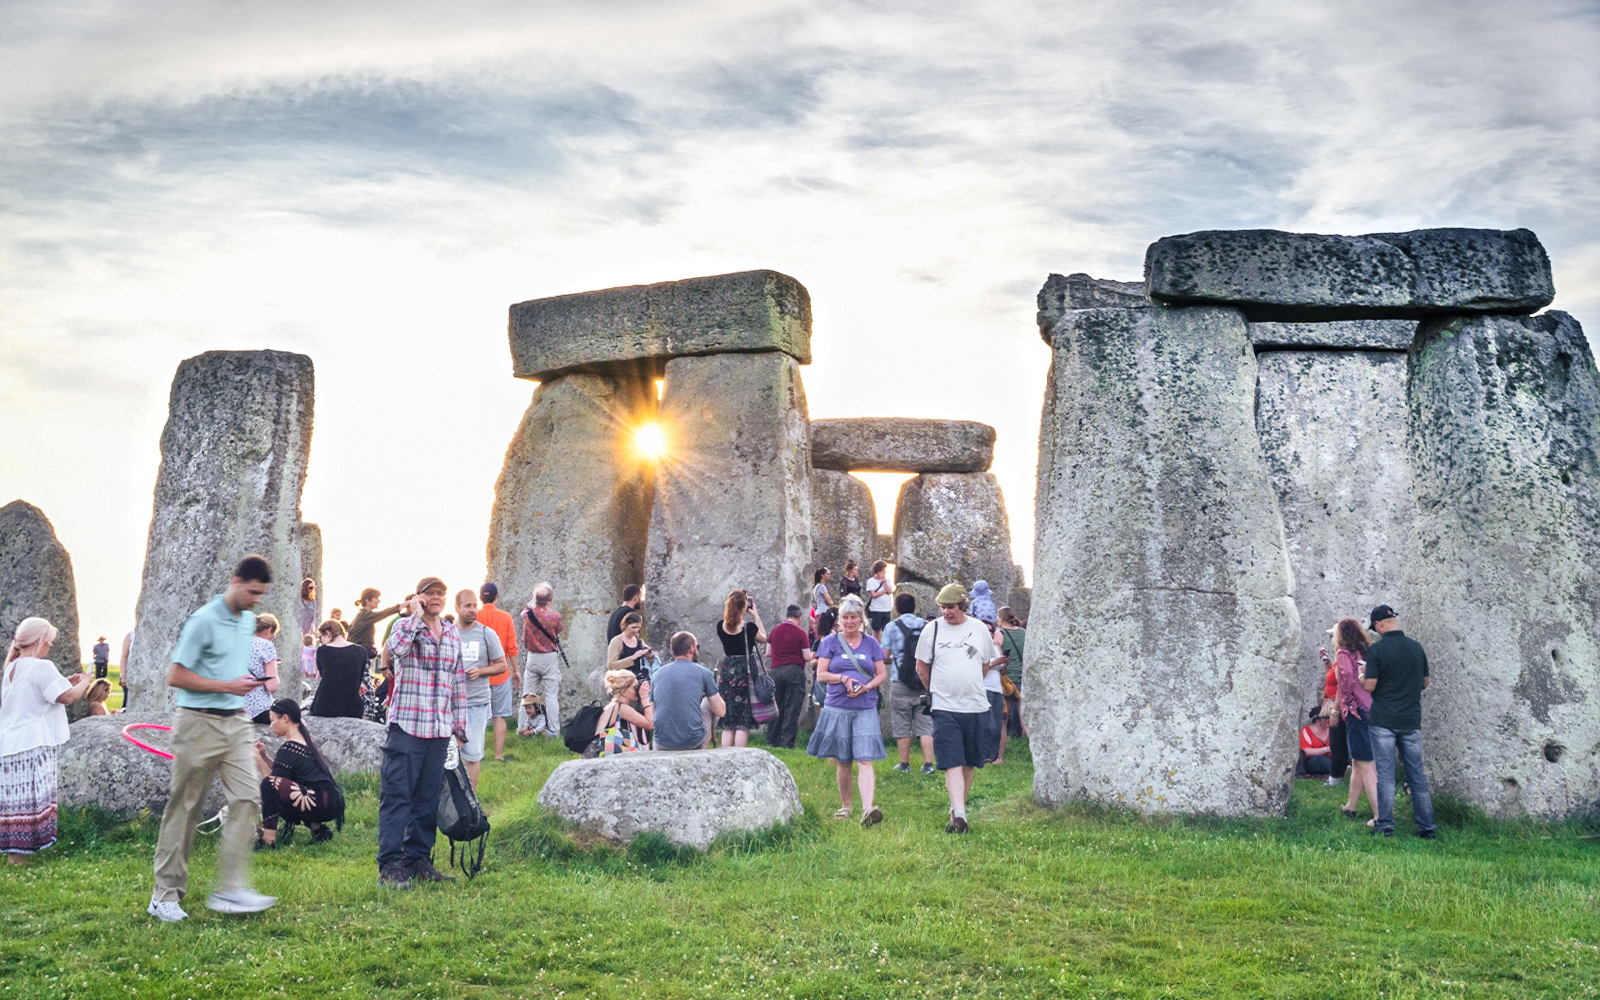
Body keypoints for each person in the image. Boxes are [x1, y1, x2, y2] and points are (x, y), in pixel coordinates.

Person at [149, 555, 278, 921]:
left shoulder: (249, 621)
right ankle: (164, 895)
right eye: (252, 592)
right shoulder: (203, 621)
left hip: (236, 723)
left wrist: (239, 693)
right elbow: (175, 675)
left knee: (248, 798)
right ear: (236, 581)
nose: (256, 600)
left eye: (261, 594)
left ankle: (231, 889)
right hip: (197, 723)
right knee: (185, 807)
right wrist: (227, 686)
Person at [377, 577, 468, 889]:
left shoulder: (452, 633)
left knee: (427, 799)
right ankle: (389, 865)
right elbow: (397, 650)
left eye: (441, 593)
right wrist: (414, 614)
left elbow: (457, 680)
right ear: (417, 598)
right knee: (397, 796)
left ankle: (418, 858)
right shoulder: (404, 627)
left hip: (439, 729)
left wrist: (459, 727)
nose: (436, 598)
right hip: (407, 726)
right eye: (430, 593)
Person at [1, 618, 93, 864]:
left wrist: (65, 681)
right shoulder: (41, 667)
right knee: (31, 799)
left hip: (10, 742)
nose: (49, 647)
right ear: (40, 641)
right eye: (49, 642)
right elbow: (67, 697)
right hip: (33, 742)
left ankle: (15, 855)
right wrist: (83, 682)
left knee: (15, 802)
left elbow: (41, 693)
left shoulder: (11, 667)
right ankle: (19, 858)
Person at [916, 583, 1005, 834]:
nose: (946, 612)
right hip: (944, 706)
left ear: (964, 606)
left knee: (968, 762)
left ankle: (958, 809)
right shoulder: (931, 630)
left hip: (976, 705)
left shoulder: (978, 628)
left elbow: (985, 664)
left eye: (951, 607)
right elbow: (921, 667)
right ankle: (961, 815)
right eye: (942, 607)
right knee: (952, 760)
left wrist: (970, 684)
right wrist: (936, 690)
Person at [807, 598, 888, 826]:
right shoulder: (830, 643)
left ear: (861, 619)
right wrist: (842, 678)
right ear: (839, 621)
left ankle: (868, 808)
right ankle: (846, 806)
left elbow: (881, 674)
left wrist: (868, 686)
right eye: (845, 617)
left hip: (865, 707)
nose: (850, 621)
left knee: (864, 758)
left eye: (854, 617)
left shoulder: (871, 643)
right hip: (837, 706)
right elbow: (821, 674)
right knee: (843, 760)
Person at [1360, 605, 1436, 839]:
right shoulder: (1416, 648)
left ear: (1379, 625)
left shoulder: (1377, 650)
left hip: (1383, 719)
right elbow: (1425, 682)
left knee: (1385, 775)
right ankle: (1427, 828)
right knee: (1417, 775)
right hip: (1411, 720)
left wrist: (1361, 676)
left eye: (1374, 628)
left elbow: (1370, 685)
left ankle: (1385, 826)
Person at [251, 699, 344, 849]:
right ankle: (318, 830)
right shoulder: (303, 741)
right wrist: (263, 756)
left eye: (272, 720)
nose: (271, 725)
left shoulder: (289, 748)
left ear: (285, 719)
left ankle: (268, 840)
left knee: (268, 785)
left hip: (320, 802)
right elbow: (282, 775)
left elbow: (273, 783)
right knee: (291, 788)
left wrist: (257, 760)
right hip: (329, 801)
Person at [453, 590, 507, 790]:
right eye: (467, 606)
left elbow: (502, 665)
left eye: (475, 605)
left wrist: (482, 671)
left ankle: (471, 800)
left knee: (473, 755)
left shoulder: (486, 633)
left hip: (476, 702)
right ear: (456, 608)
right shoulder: (448, 633)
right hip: (450, 704)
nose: (472, 610)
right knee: (448, 755)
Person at [1329, 618, 1377, 825]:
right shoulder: (1367, 651)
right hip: (1373, 709)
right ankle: (1351, 805)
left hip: (1357, 711)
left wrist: (1339, 708)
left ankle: (1380, 815)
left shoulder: (1342, 653)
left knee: (1367, 764)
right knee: (1357, 761)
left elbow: (1346, 681)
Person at [881, 592, 935, 774]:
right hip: (923, 680)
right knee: (926, 724)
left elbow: (885, 656)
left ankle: (904, 764)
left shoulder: (891, 626)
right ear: (915, 607)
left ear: (896, 609)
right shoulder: (926, 626)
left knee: (902, 723)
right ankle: (928, 765)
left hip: (900, 681)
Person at [649, 632, 724, 751]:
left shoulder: (656, 674)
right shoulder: (703, 673)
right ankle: (701, 750)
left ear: (673, 651)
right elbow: (720, 711)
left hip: (661, 743)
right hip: (692, 741)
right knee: (708, 702)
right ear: (692, 648)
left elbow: (652, 714)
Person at [713, 590, 767, 748]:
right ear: (744, 607)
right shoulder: (748, 627)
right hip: (745, 672)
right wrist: (756, 615)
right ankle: (739, 756)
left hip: (728, 670)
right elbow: (764, 637)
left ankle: (725, 755)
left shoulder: (720, 626)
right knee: (742, 720)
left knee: (728, 718)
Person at [476, 583, 520, 763]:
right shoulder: (506, 617)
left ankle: (475, 753)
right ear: (496, 597)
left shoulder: (475, 616)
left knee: (475, 713)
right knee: (499, 715)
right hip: (500, 673)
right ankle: (498, 755)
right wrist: (516, 670)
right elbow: (511, 647)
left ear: (480, 598)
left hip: (478, 674)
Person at [764, 605, 814, 749]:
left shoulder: (775, 631)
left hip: (775, 672)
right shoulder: (800, 633)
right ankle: (786, 742)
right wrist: (813, 655)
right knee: (792, 707)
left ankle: (771, 740)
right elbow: (806, 656)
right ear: (799, 618)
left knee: (776, 707)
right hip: (794, 672)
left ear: (787, 616)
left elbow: (768, 653)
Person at [519, 584, 564, 738]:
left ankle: (521, 728)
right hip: (549, 656)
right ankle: (553, 731)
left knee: (527, 694)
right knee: (551, 696)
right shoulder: (554, 616)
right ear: (551, 599)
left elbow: (525, 610)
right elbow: (559, 629)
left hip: (532, 656)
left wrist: (533, 603)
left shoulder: (527, 614)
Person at [582, 670, 655, 756]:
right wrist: (644, 698)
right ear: (624, 692)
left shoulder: (613, 706)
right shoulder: (622, 708)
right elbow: (651, 724)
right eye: (635, 687)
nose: (638, 690)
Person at [309, 620, 368, 719]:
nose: (321, 642)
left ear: (327, 633)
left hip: (324, 706)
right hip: (352, 707)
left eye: (320, 638)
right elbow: (358, 679)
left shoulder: (322, 651)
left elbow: (326, 676)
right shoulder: (361, 651)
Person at [1317, 630, 1349, 788]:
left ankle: (1336, 777)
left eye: (1333, 635)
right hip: (1333, 702)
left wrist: (1335, 710)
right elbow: (1333, 677)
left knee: (1337, 741)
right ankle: (1340, 774)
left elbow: (1341, 684)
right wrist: (1326, 662)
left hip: (1338, 703)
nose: (1331, 639)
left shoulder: (1343, 656)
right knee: (1339, 740)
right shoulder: (1339, 658)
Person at [245, 614, 281, 725]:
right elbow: (272, 686)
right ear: (268, 630)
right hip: (258, 709)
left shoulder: (242, 642)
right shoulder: (266, 645)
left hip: (238, 708)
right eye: (273, 634)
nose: (272, 638)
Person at [997, 606, 1026, 737]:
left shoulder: (1000, 633)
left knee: (1002, 718)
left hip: (1008, 679)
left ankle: (1000, 750)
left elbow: (998, 656)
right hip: (1023, 678)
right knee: (1025, 719)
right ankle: (1030, 748)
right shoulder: (1023, 632)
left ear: (1001, 619)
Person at [346, 589, 402, 653]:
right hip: (359, 653)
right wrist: (399, 607)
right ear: (368, 600)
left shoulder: (362, 616)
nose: (379, 601)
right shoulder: (364, 616)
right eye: (376, 598)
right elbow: (382, 614)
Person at [606, 612, 654, 678]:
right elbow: (611, 666)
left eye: (638, 627)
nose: (636, 630)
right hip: (623, 680)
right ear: (625, 626)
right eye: (633, 627)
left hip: (641, 678)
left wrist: (650, 656)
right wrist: (633, 657)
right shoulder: (616, 641)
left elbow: (650, 663)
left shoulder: (639, 640)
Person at [1297, 708, 1333, 777]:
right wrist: (1327, 749)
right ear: (1317, 721)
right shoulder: (1306, 731)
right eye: (1326, 719)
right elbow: (1307, 752)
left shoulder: (1332, 731)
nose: (1329, 720)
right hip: (1313, 761)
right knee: (1322, 760)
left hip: (1331, 759)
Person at [865, 562, 893, 640]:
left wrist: (884, 582)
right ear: (879, 571)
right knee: (876, 630)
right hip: (876, 609)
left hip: (886, 608)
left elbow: (890, 591)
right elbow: (873, 595)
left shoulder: (887, 581)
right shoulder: (870, 581)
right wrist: (884, 591)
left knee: (886, 630)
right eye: (884, 570)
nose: (885, 572)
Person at [810, 567, 835, 634]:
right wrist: (831, 602)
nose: (829, 575)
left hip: (818, 611)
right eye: (827, 574)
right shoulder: (822, 587)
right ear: (822, 575)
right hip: (824, 611)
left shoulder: (816, 587)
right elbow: (829, 601)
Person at [118, 630, 133, 710]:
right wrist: (123, 676)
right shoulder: (130, 636)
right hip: (129, 674)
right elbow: (124, 656)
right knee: (127, 702)